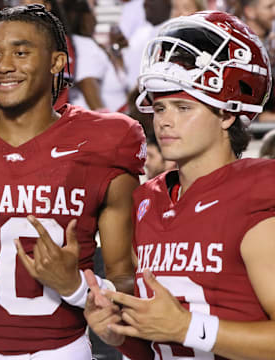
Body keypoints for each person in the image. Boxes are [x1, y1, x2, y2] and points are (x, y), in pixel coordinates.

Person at [0, 4, 146, 360]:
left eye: (21, 52)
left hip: (62, 350)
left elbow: (126, 281)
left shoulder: (104, 140)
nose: (4, 65)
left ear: (57, 62)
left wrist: (76, 289)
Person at [84, 10, 275, 360]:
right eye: (159, 108)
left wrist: (189, 328)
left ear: (227, 114)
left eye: (184, 107)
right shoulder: (148, 200)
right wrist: (117, 333)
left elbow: (182, 328)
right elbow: (160, 342)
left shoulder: (256, 195)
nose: (165, 122)